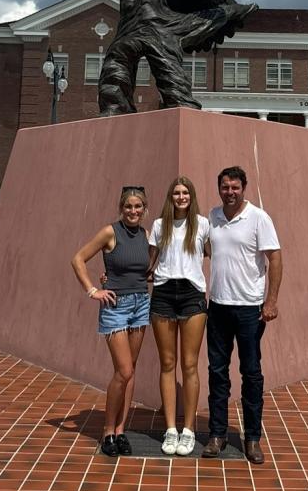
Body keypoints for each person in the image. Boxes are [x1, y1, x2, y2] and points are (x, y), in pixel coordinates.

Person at [202, 166, 282, 465]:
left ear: (244, 188)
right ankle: (217, 434)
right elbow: (195, 247)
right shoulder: (212, 217)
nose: (230, 192)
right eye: (225, 187)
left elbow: (275, 258)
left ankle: (252, 438)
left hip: (250, 309)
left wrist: (270, 301)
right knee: (217, 373)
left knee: (251, 374)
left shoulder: (259, 218)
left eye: (235, 187)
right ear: (219, 188)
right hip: (219, 306)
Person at [70, 186, 150, 457]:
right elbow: (78, 259)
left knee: (131, 371)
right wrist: (94, 290)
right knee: (123, 371)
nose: (133, 211)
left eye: (138, 206)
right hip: (116, 307)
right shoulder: (109, 232)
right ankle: (107, 430)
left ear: (144, 209)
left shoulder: (145, 235)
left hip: (141, 305)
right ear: (121, 208)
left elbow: (145, 271)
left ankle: (120, 431)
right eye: (128, 206)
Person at [148, 176, 211, 456]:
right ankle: (171, 429)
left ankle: (189, 429)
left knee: (189, 364)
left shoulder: (202, 224)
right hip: (163, 292)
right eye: (176, 192)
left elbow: (213, 255)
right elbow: (148, 261)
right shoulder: (160, 225)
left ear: (191, 195)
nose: (181, 197)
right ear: (170, 196)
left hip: (192, 295)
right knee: (167, 363)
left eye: (185, 192)